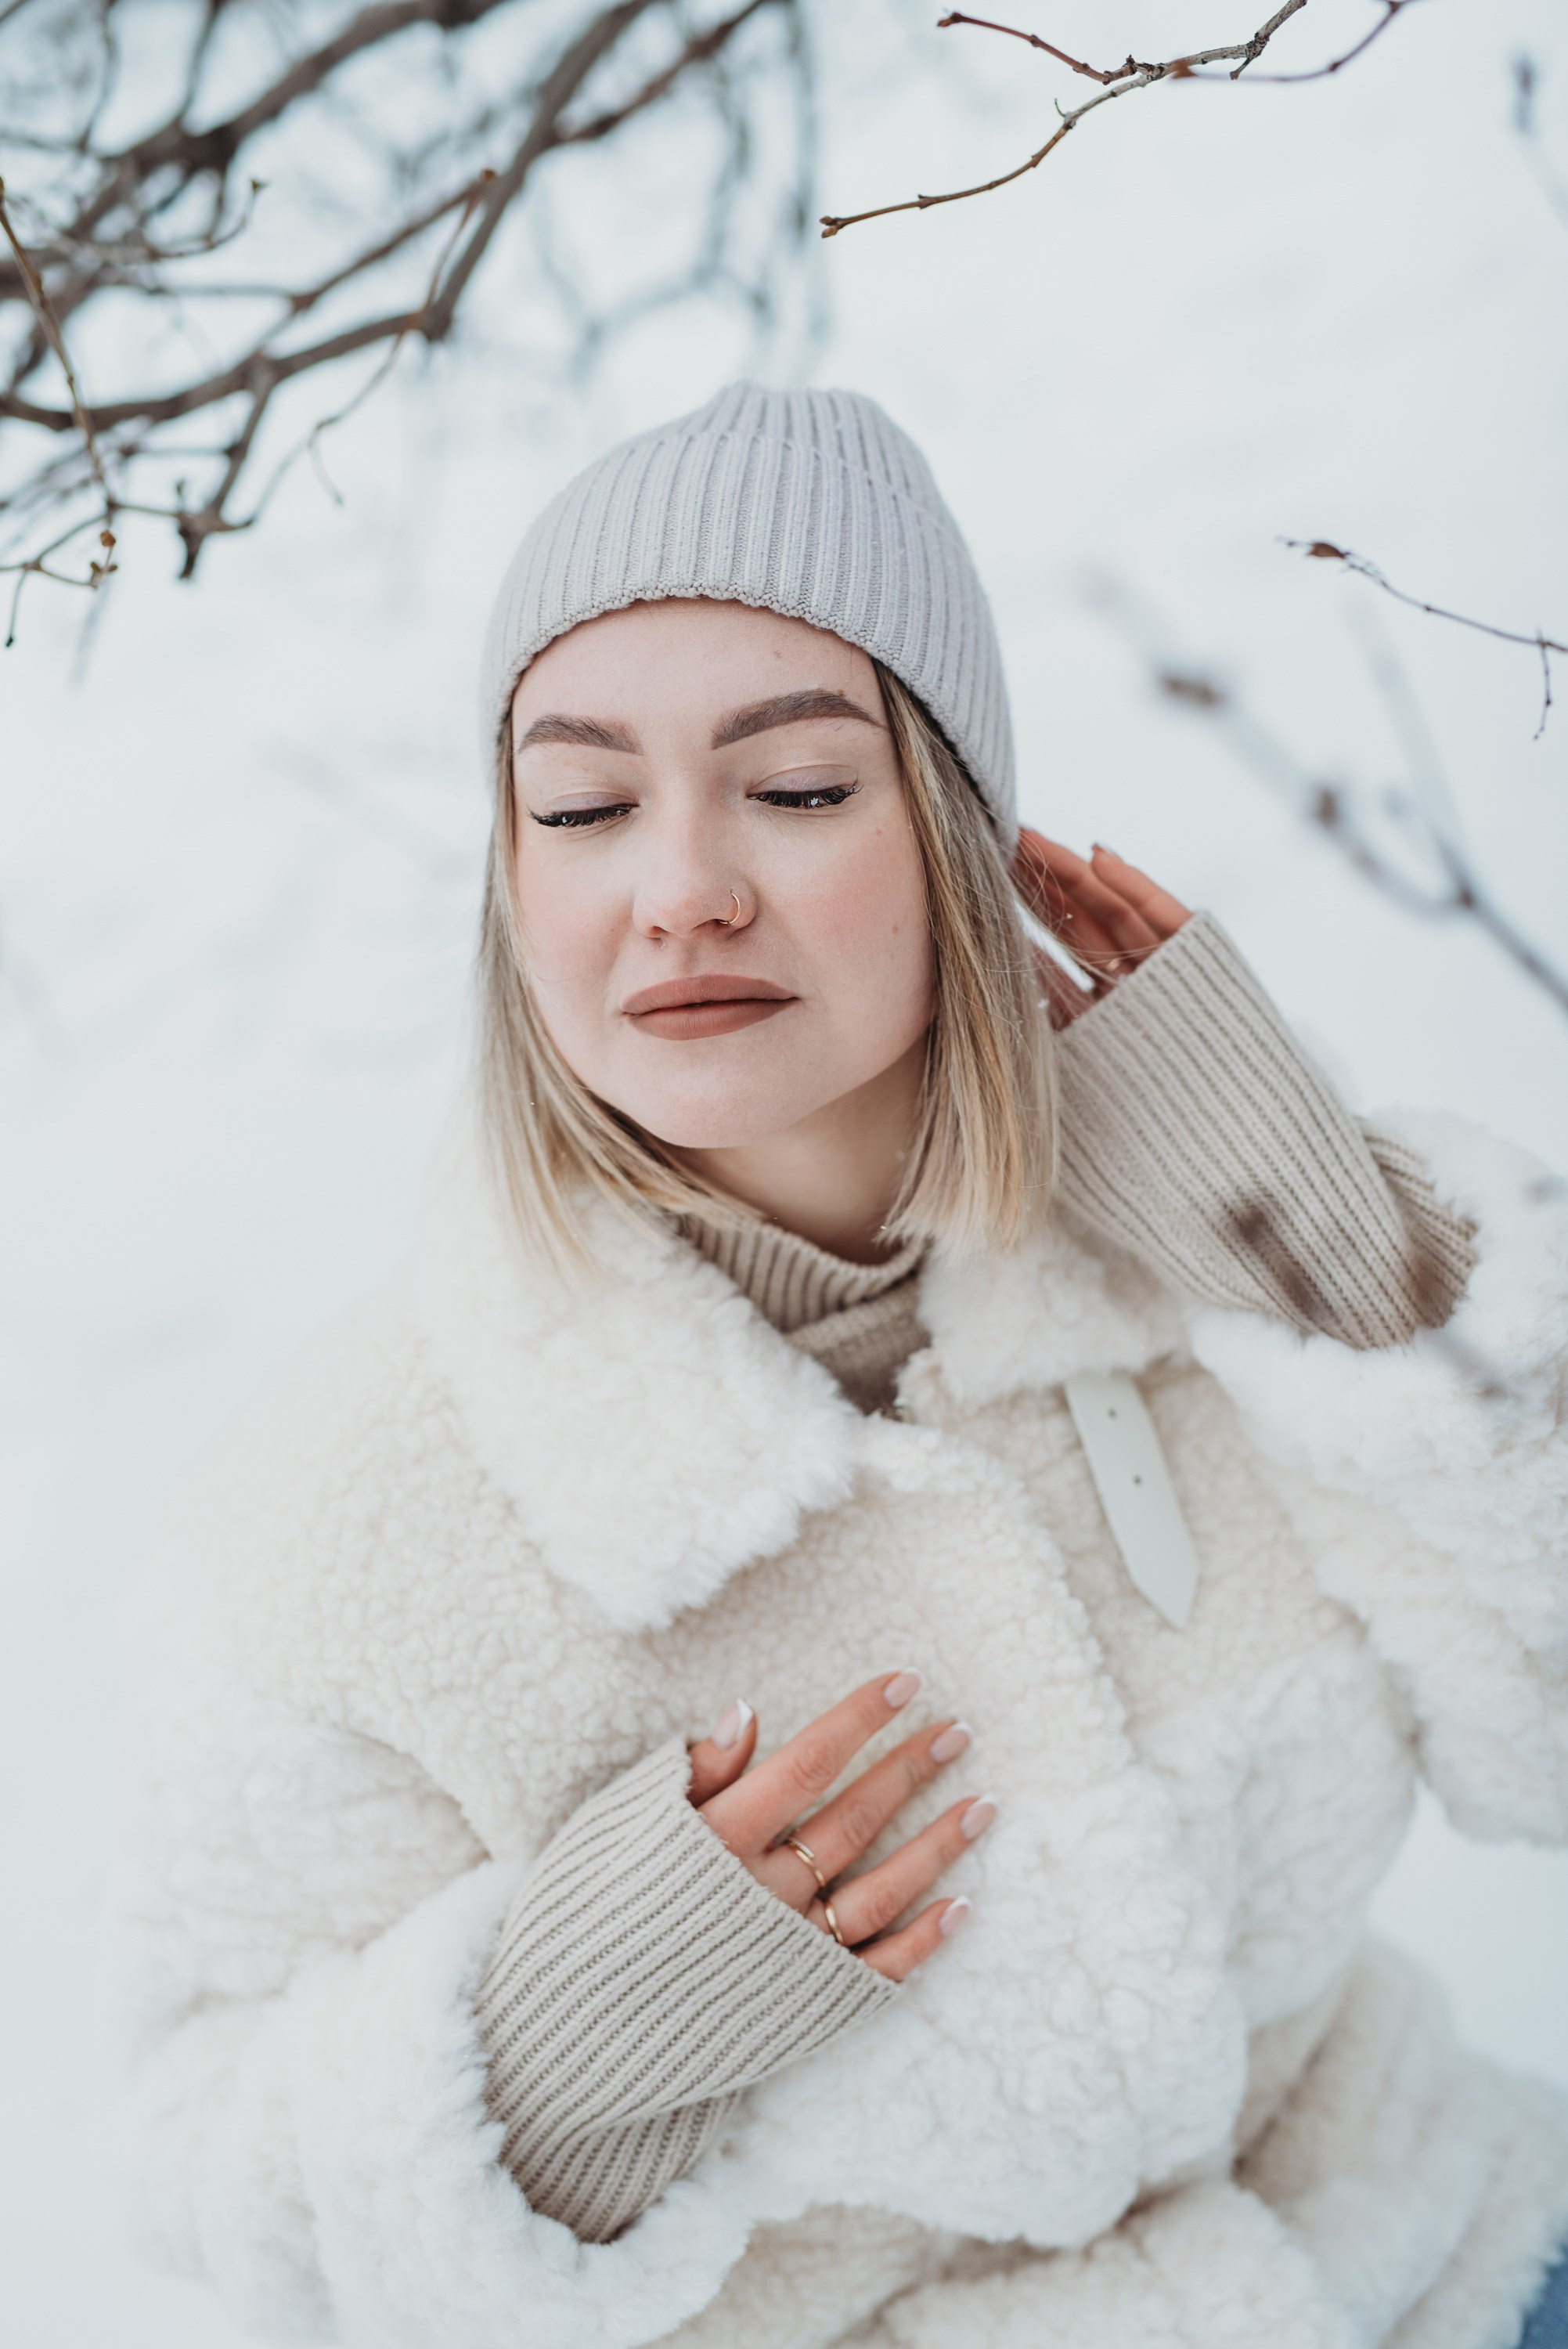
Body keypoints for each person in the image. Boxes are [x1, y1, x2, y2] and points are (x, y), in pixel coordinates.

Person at [105, 384, 1568, 2349]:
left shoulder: (1209, 1273)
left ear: (954, 842)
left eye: (794, 789)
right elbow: (202, 2170)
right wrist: (551, 2062)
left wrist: (1341, 1263)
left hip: (1434, 2259)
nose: (683, 885)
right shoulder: (355, 1519)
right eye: (584, 803)